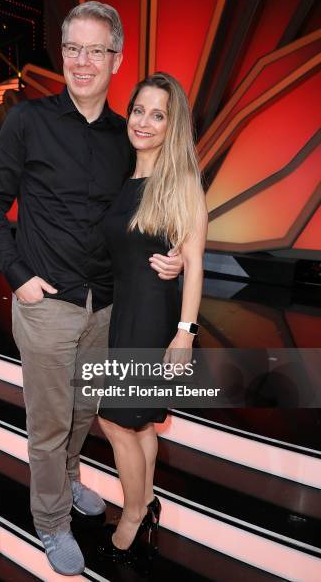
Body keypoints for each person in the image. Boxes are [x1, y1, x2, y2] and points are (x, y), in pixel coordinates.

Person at [0, 2, 183, 576]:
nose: (83, 61)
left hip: (107, 306)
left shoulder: (129, 134)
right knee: (48, 423)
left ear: (117, 58)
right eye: (73, 48)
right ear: (62, 54)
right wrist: (19, 278)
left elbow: (162, 202)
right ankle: (50, 521)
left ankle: (66, 484)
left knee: (85, 412)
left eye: (97, 50)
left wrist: (178, 254)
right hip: (46, 305)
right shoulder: (28, 121)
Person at [97, 72, 207, 561]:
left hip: (151, 318)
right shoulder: (129, 174)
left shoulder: (180, 179)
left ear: (171, 124)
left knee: (117, 423)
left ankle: (136, 511)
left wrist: (185, 334)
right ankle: (146, 503)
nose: (144, 121)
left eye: (157, 114)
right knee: (138, 424)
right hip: (126, 312)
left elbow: (196, 261)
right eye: (138, 109)